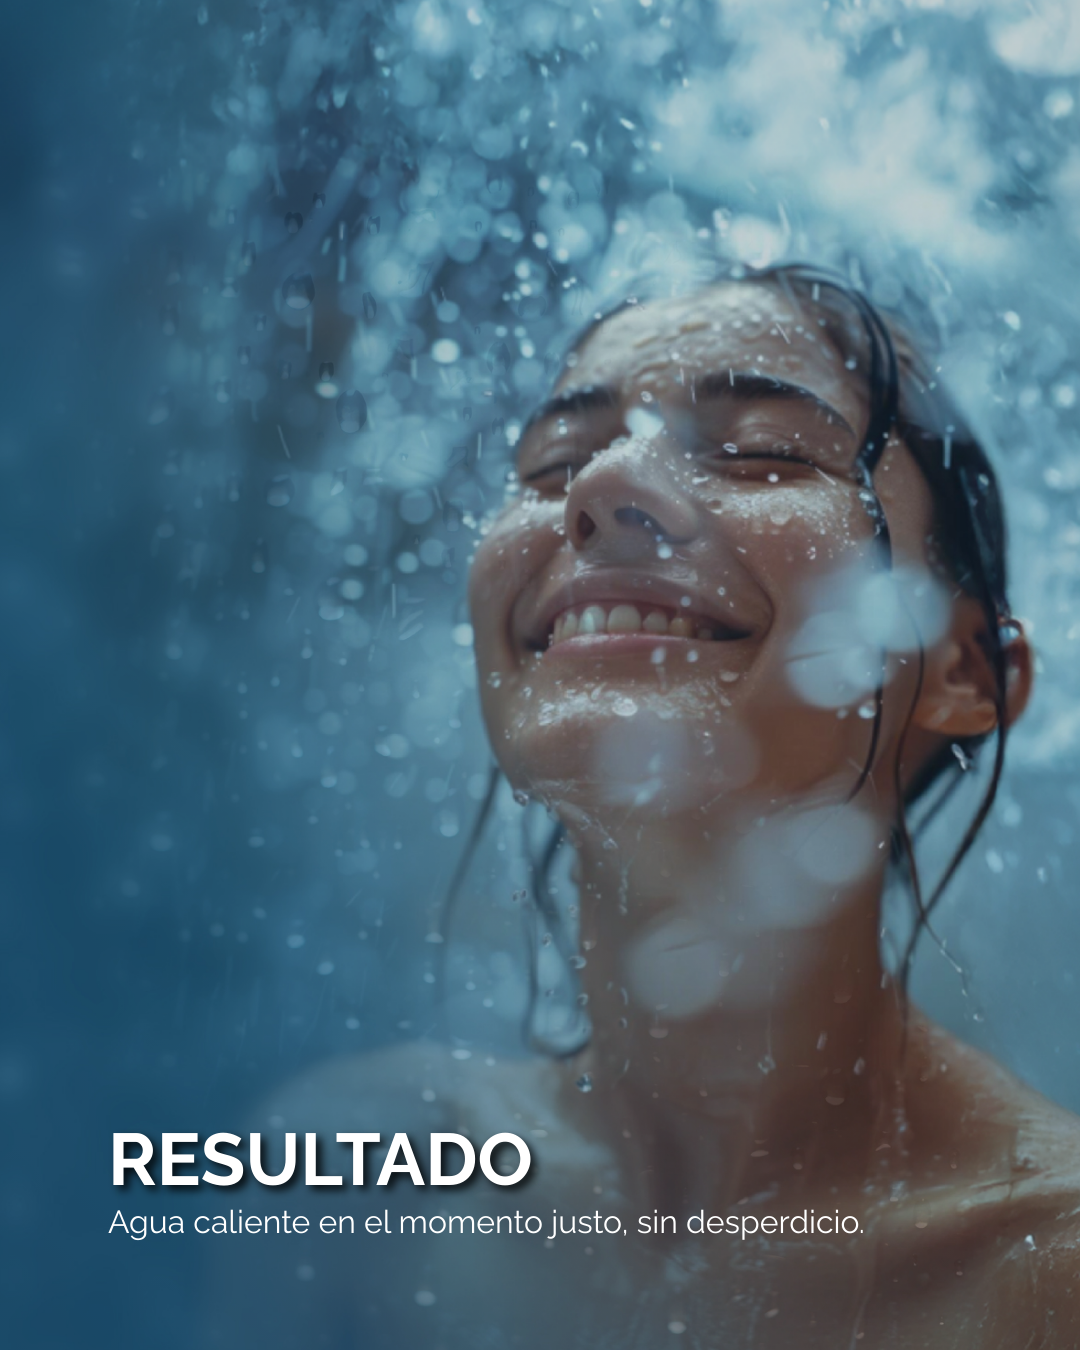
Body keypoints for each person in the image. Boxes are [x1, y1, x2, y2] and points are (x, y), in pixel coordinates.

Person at [207, 264, 1080, 1349]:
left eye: (763, 451)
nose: (601, 489)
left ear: (965, 670)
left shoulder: (1049, 1274)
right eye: (552, 465)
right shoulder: (353, 1189)